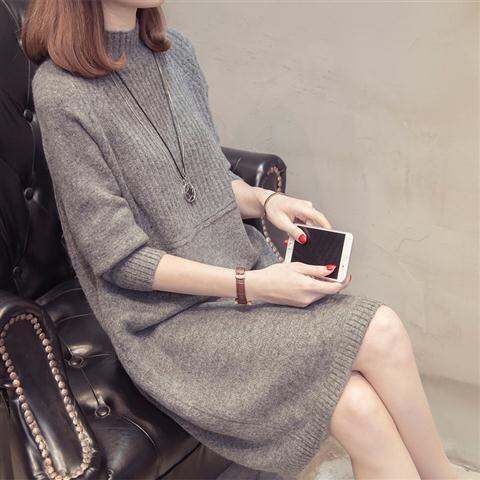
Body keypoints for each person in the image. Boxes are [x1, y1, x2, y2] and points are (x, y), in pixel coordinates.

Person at [24, 0, 458, 478]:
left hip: (239, 280)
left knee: (361, 411)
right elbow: (119, 258)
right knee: (381, 329)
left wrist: (265, 201)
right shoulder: (62, 92)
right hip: (164, 323)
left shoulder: (176, 54)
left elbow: (206, 177)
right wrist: (252, 287)